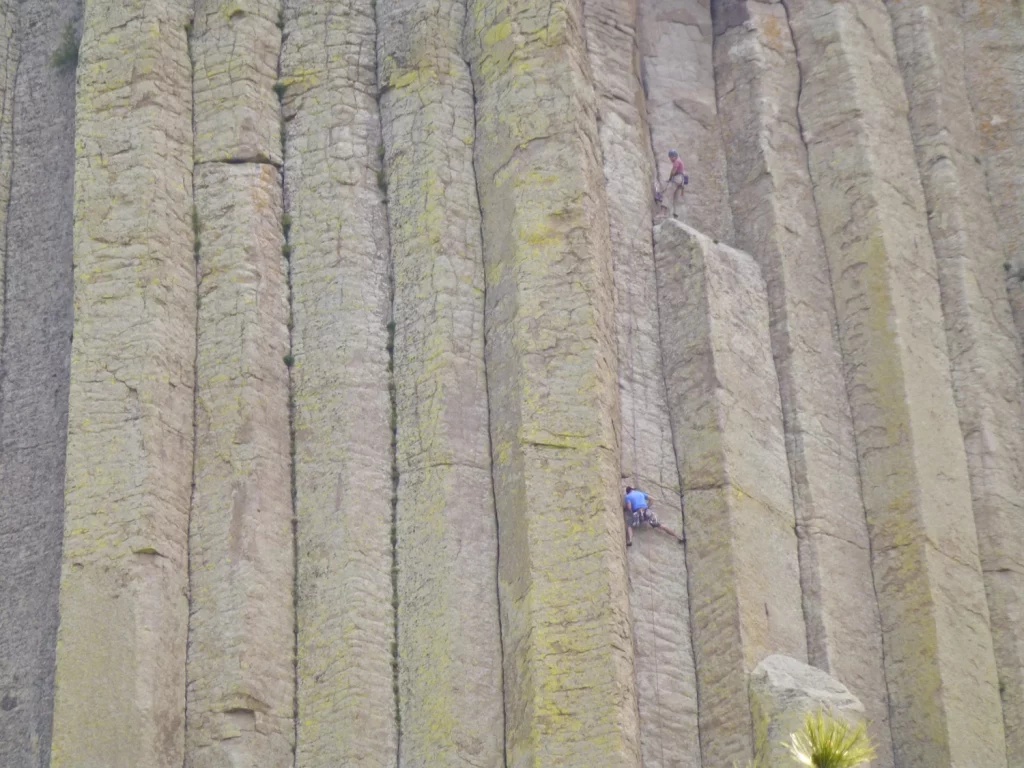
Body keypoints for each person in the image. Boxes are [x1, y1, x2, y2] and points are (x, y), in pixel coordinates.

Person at [666, 150, 687, 219]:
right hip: (681, 181)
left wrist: (670, 179)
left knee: (668, 193)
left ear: (673, 157)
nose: (670, 159)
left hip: (677, 179)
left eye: (670, 157)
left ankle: (663, 212)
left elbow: (673, 171)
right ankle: (676, 215)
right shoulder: (680, 162)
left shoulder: (677, 161)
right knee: (676, 198)